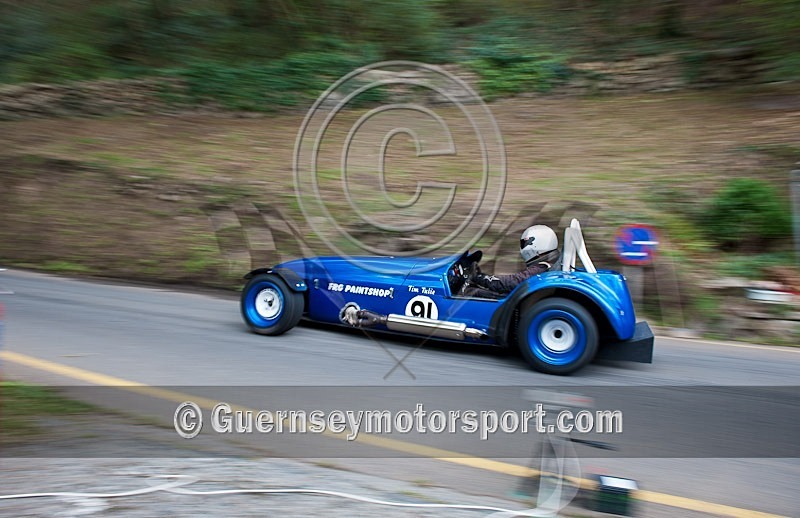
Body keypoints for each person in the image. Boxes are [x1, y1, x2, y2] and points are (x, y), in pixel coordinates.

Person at [465, 225, 560, 298]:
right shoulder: (551, 264)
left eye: (525, 243)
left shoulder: (540, 268)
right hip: (529, 297)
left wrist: (480, 278)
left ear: (538, 244)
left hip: (521, 304)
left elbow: (512, 282)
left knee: (472, 292)